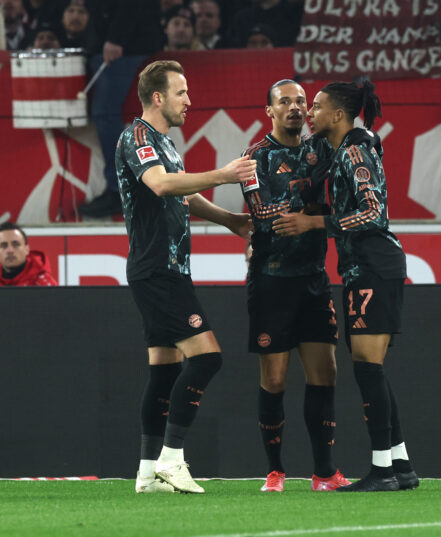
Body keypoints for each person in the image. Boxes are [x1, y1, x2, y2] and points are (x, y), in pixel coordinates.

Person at [273, 80, 419, 492]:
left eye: (316, 107)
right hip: (363, 268)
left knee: (367, 369)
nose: (309, 113)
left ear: (337, 115)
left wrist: (313, 222)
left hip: (374, 264)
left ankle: (382, 470)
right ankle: (400, 465)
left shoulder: (355, 150)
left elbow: (373, 213)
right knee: (371, 369)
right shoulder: (347, 148)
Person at [118, 60, 256, 494]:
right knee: (207, 357)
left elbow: (182, 192)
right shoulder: (137, 136)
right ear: (157, 97)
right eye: (182, 92)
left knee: (163, 372)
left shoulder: (164, 141)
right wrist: (225, 175)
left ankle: (146, 474)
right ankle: (172, 459)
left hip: (165, 268)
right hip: (158, 270)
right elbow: (160, 184)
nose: (189, 100)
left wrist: (229, 219)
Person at [242, 80, 350, 493]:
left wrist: (317, 213)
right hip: (271, 280)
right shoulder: (255, 158)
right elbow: (266, 215)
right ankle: (275, 471)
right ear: (269, 110)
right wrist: (312, 210)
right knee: (275, 380)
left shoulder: (323, 150)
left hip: (313, 280)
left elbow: (341, 202)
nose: (294, 107)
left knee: (326, 374)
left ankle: (325, 473)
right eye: (284, 101)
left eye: (300, 101)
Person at [77, 0, 162, 219]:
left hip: (126, 47)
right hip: (106, 44)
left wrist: (116, 37)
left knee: (105, 113)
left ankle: (121, 188)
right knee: (104, 113)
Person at [0, 222, 58, 286]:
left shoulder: (44, 285)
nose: (10, 250)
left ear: (27, 249)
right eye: (4, 246)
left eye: (15, 245)